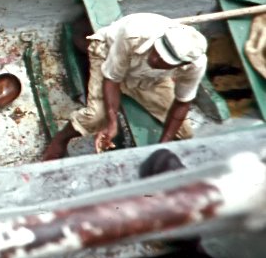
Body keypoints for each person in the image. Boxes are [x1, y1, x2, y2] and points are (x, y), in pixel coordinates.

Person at [42, 13, 207, 161]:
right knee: (96, 117)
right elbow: (112, 78)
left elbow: (182, 103)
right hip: (109, 58)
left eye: (164, 60)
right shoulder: (133, 33)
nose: (155, 59)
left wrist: (163, 145)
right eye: (156, 51)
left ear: (183, 63)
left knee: (185, 133)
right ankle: (61, 139)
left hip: (150, 78)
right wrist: (112, 122)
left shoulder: (195, 66)